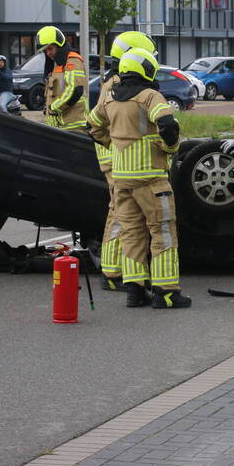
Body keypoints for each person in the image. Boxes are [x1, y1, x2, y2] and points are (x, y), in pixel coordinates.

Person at [87, 47, 191, 309]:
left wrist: (112, 143)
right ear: (146, 70)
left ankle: (135, 291)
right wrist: (169, 148)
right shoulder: (150, 96)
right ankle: (166, 293)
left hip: (121, 179)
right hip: (151, 178)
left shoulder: (110, 98)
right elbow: (168, 124)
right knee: (162, 232)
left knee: (132, 234)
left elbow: (92, 124)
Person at [95, 30, 157, 292]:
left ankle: (116, 269)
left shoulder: (114, 81)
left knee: (120, 213)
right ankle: (112, 271)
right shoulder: (118, 85)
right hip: (120, 158)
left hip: (117, 155)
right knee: (120, 215)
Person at [36, 26, 89, 132]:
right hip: (60, 125)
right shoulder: (58, 64)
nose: (48, 53)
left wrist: (53, 108)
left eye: (50, 48)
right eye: (45, 51)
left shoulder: (73, 61)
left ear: (59, 45)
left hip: (73, 125)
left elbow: (75, 90)